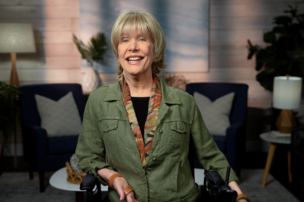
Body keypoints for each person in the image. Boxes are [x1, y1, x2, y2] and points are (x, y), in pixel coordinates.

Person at [76, 10, 250, 202]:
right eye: (124, 40)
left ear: (155, 48)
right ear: (118, 50)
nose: (132, 47)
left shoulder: (184, 102)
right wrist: (113, 177)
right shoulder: (98, 100)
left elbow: (210, 154)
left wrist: (239, 194)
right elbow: (87, 155)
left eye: (141, 39)